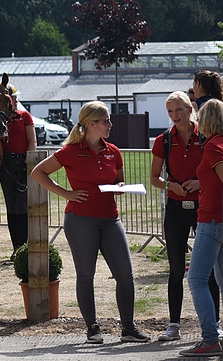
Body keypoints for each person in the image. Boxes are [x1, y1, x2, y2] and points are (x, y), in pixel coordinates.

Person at [31, 101, 150, 345]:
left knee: (125, 275)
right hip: (81, 219)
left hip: (110, 218)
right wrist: (65, 193)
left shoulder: (113, 151)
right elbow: (37, 172)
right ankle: (92, 328)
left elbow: (119, 183)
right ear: (92, 124)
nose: (110, 124)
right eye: (106, 120)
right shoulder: (71, 151)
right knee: (86, 275)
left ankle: (128, 327)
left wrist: (120, 188)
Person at [149, 91, 218, 342]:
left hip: (203, 208)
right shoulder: (163, 140)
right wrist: (171, 186)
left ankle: (214, 325)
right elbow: (155, 178)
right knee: (176, 269)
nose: (174, 116)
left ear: (191, 109)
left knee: (208, 270)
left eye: (178, 110)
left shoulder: (207, 135)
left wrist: (200, 183)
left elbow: (217, 170)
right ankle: (174, 324)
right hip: (176, 209)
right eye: (170, 111)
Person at [180, 100, 223, 358]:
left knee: (195, 279)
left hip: (212, 220)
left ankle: (209, 338)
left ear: (207, 121)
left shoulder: (214, 146)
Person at [0, 84, 36, 258]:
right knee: (11, 207)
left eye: (13, 99)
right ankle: (16, 247)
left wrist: (27, 163)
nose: (13, 102)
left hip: (22, 161)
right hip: (6, 163)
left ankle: (24, 246)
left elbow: (31, 141)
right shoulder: (1, 118)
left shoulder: (25, 116)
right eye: (10, 99)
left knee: (22, 206)